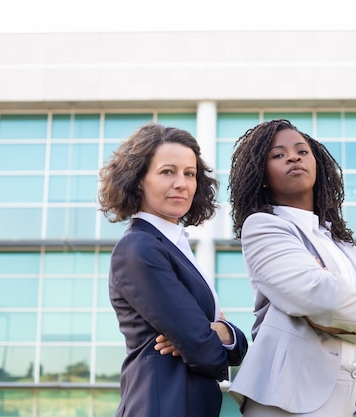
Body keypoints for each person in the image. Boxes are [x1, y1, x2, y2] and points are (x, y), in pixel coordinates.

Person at [227, 119, 356, 417]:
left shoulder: (342, 243)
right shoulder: (263, 226)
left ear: (317, 164)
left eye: (301, 151)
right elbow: (319, 296)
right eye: (278, 155)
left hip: (351, 399)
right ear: (262, 175)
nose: (293, 157)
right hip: (288, 398)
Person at [98, 123, 248, 417]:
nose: (182, 183)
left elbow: (235, 345)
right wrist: (211, 335)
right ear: (139, 179)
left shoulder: (174, 245)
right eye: (168, 172)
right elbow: (205, 351)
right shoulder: (139, 248)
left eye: (189, 174)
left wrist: (218, 332)